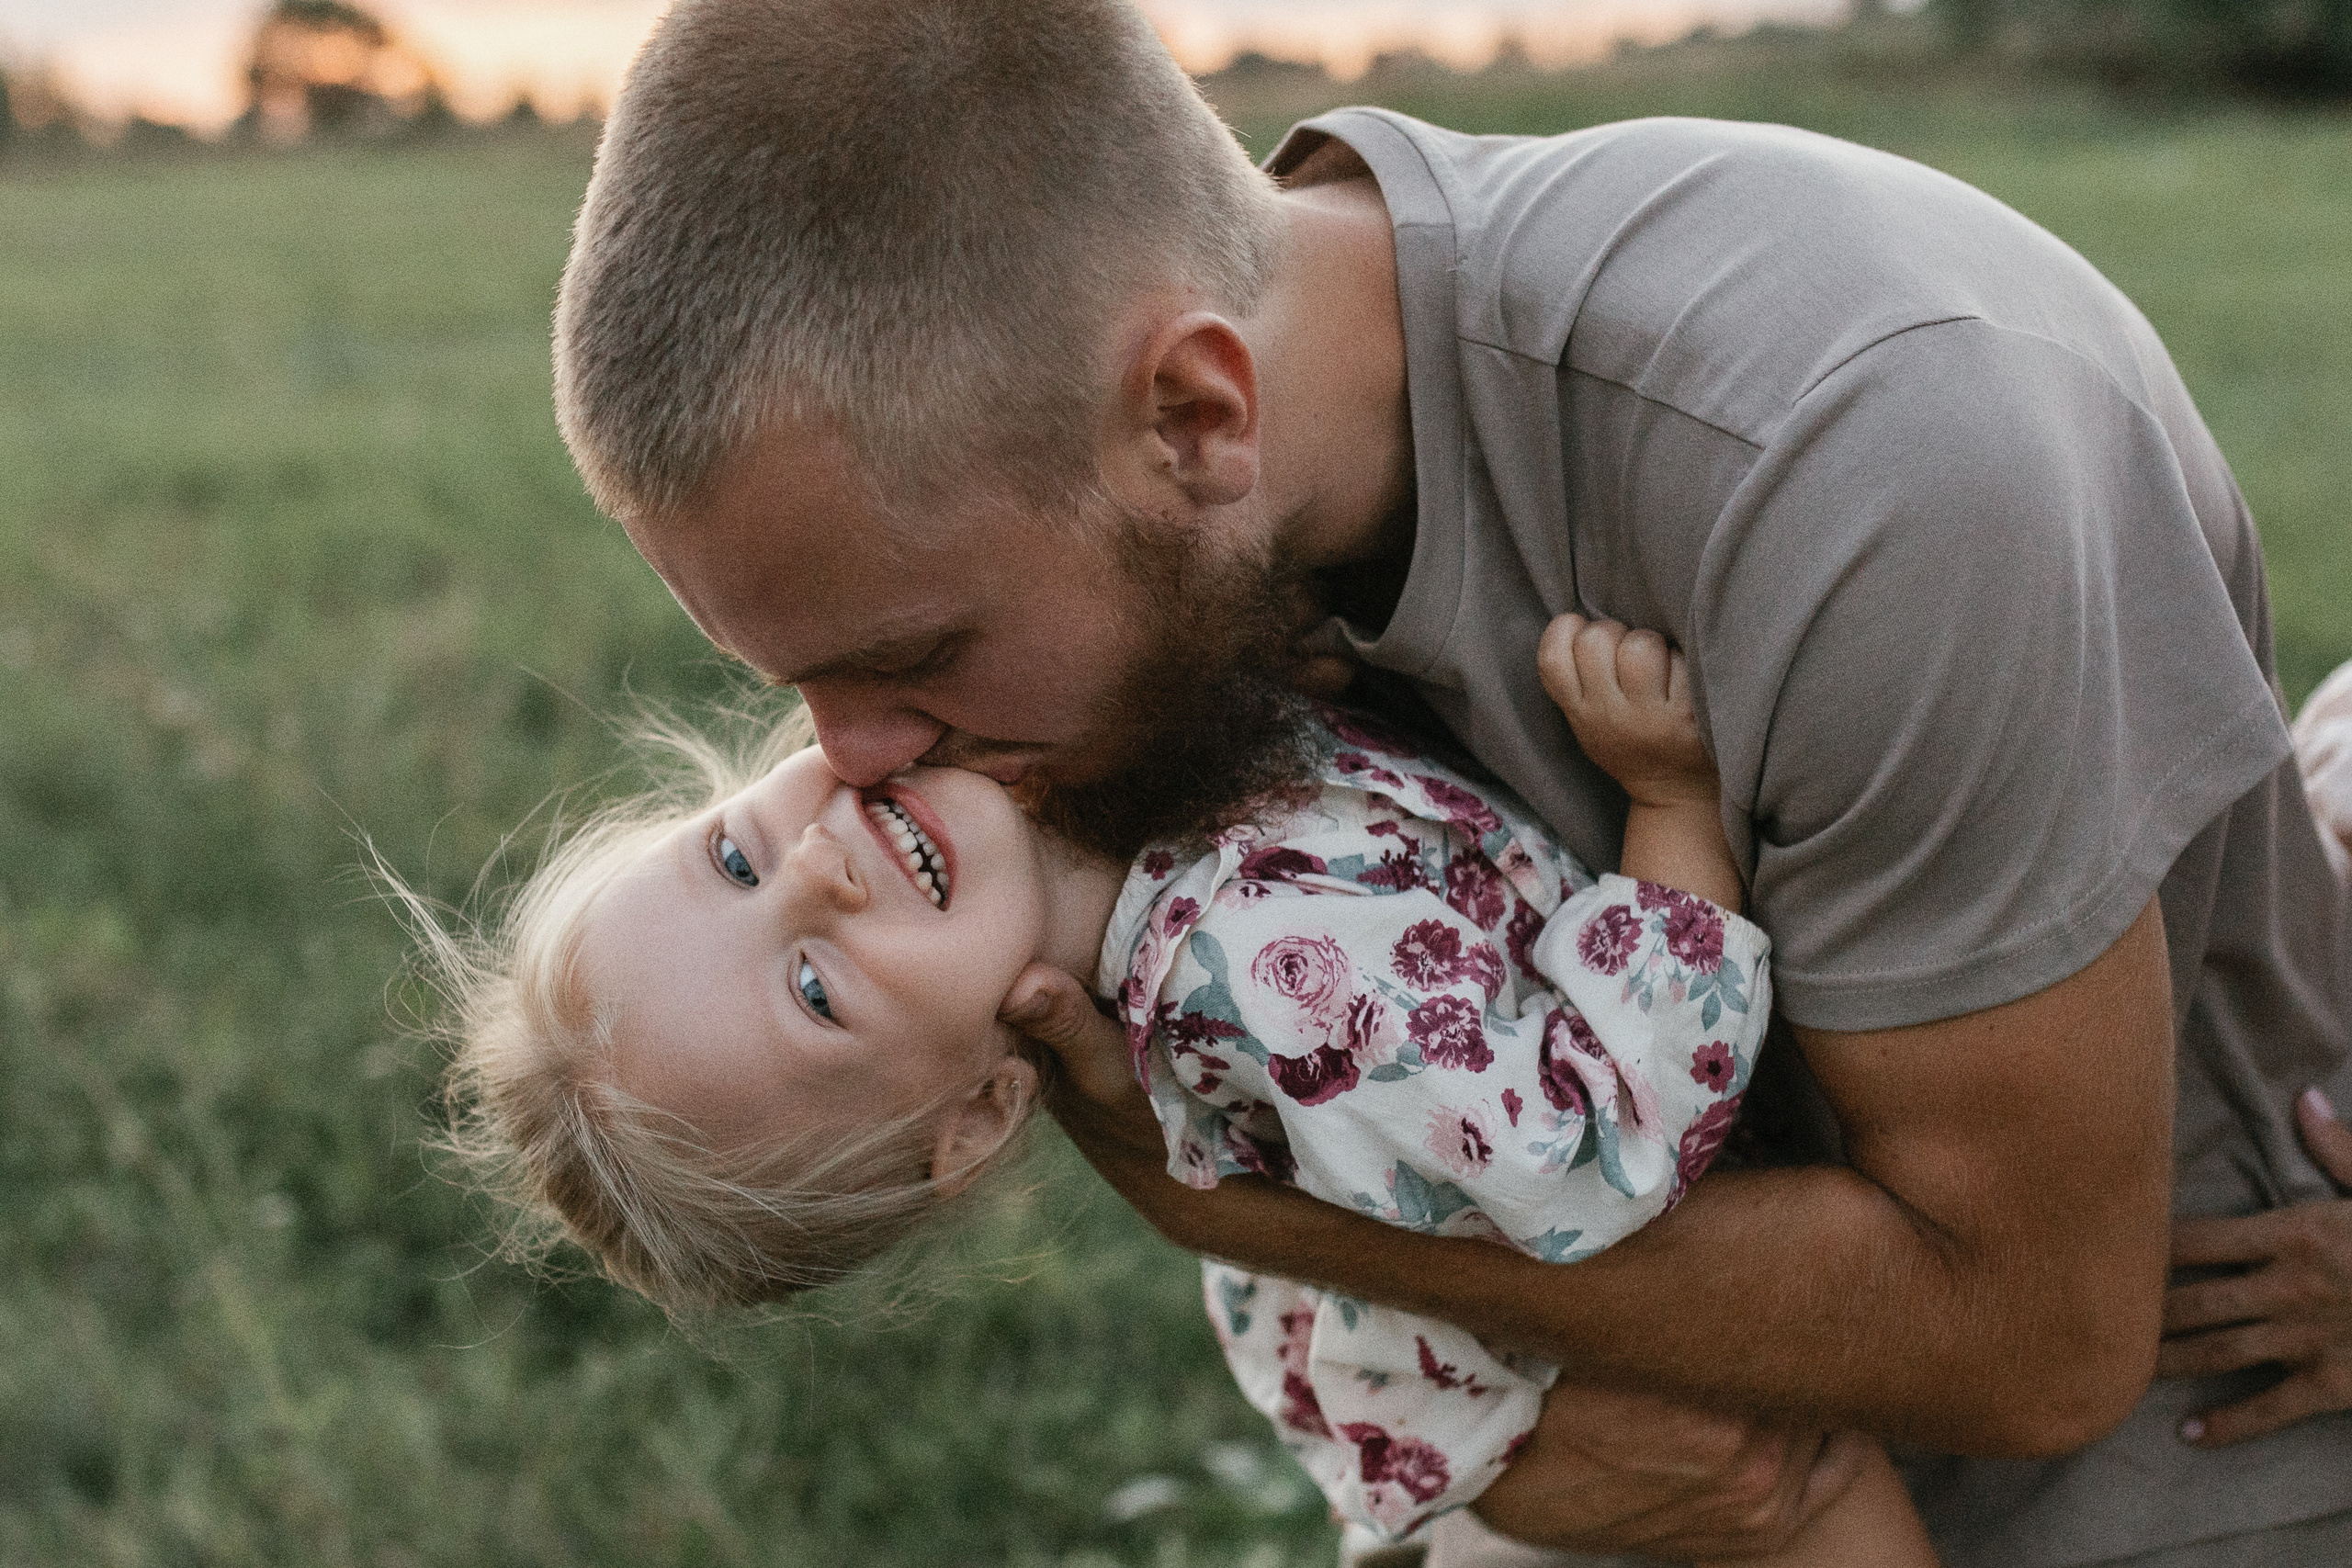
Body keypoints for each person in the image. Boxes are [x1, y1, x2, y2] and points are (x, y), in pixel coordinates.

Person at [548, 1, 2352, 1562]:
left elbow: (2033, 1345)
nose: (844, 765)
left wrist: (1220, 1207)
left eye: (911, 655)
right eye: (794, 688)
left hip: (2149, 1434)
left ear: (1193, 415)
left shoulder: (1878, 468)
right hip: (1646, 1417)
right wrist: (1512, 1465)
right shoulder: (1191, 491)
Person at [412, 616, 1936, 1564]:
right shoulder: (1250, 982)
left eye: (733, 858)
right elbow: (1587, 1141)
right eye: (814, 987)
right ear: (983, 1116)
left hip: (1460, 1418)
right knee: (1809, 1499)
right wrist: (1671, 808)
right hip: (1589, 1423)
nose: (813, 864)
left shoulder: (1076, 781)